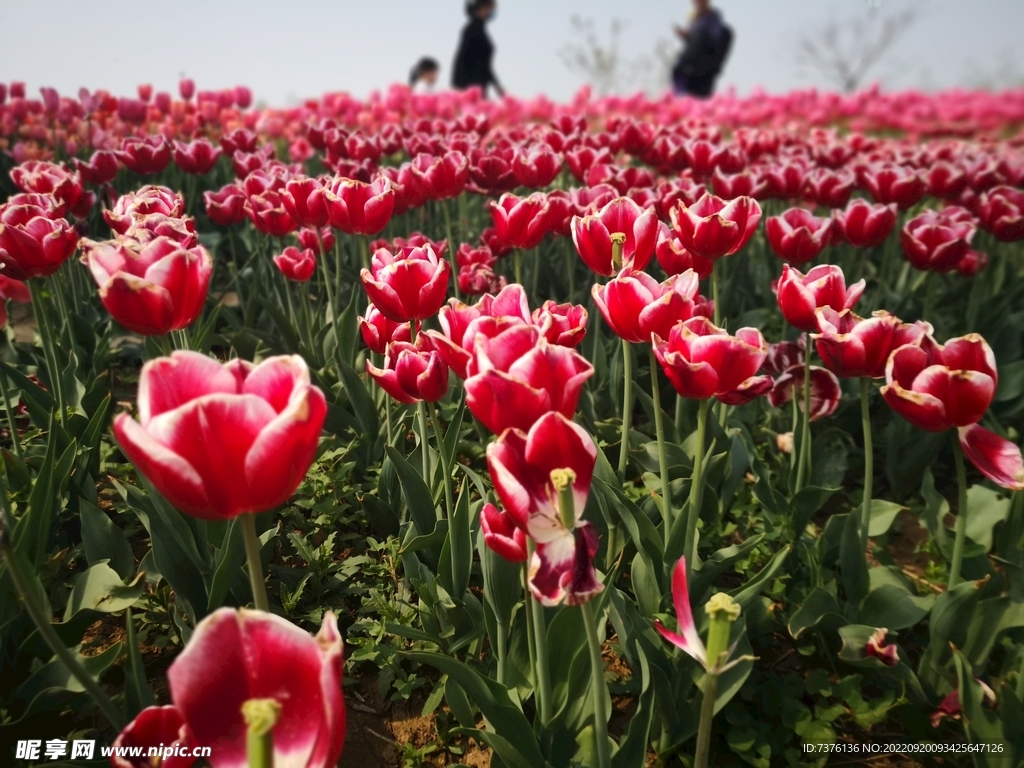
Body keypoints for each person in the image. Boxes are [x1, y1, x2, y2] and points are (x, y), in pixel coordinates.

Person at [671, 0, 733, 98]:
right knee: (679, 73)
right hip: (691, 64)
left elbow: (711, 37)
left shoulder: (714, 17)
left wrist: (693, 35)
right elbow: (693, 40)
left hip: (705, 62)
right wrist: (686, 36)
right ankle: (680, 97)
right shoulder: (694, 17)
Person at [452, 0, 505, 98]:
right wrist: (457, 90)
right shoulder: (471, 29)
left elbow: (485, 66)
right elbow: (460, 60)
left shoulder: (482, 30)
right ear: (481, 7)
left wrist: (497, 86)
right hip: (468, 88)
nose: (491, 11)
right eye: (490, 7)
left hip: (481, 87)